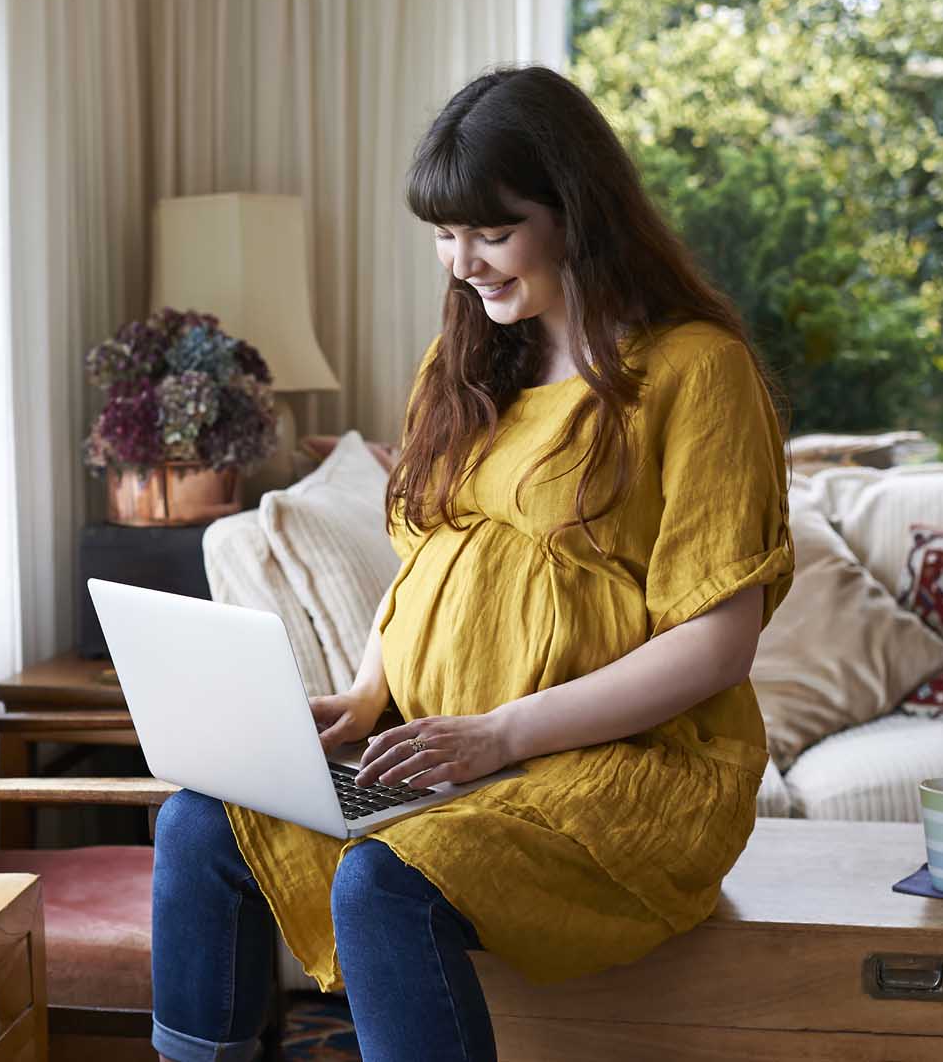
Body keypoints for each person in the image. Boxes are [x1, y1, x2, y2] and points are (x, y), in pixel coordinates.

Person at [148, 65, 795, 1062]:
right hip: (454, 759)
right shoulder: (466, 364)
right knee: (200, 823)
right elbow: (426, 567)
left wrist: (502, 733)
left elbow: (718, 642)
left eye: (492, 233)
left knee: (385, 879)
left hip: (626, 774)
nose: (464, 265)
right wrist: (366, 700)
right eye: (445, 237)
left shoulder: (697, 372)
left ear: (578, 213)